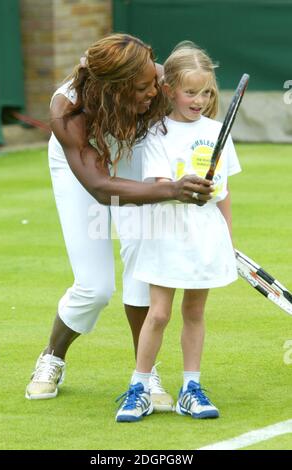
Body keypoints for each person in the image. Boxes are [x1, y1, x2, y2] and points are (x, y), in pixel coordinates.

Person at [25, 34, 213, 406]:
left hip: (136, 150)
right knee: (94, 288)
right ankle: (52, 357)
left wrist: (195, 183)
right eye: (142, 87)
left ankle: (145, 375)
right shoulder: (68, 110)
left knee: (143, 269)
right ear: (115, 89)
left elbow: (197, 122)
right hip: (85, 169)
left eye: (154, 81)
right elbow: (99, 187)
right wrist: (173, 191)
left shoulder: (161, 83)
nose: (153, 90)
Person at [116, 41, 241, 422]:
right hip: (166, 234)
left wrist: (228, 241)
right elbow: (157, 184)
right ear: (169, 89)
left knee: (195, 311)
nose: (199, 99)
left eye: (206, 92)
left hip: (205, 238)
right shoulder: (156, 133)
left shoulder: (218, 131)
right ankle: (139, 387)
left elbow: (223, 194)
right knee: (158, 314)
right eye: (191, 92)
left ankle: (191, 387)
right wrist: (182, 188)